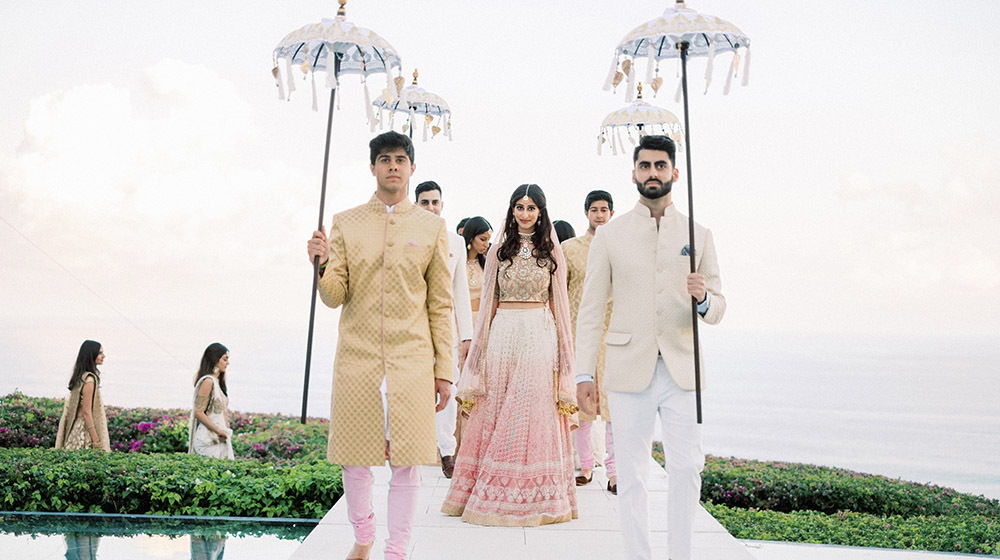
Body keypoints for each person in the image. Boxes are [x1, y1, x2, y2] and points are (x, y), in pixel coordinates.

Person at [575, 135, 726, 560]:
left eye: (661, 166)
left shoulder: (699, 234)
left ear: (674, 173)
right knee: (633, 476)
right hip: (627, 369)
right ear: (635, 173)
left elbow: (718, 309)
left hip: (682, 370)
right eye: (645, 166)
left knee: (686, 469)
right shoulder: (611, 235)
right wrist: (584, 373)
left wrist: (703, 299)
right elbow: (589, 310)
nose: (653, 173)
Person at [306, 131, 454, 560]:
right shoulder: (347, 222)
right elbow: (334, 295)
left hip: (411, 360)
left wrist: (444, 370)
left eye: (401, 159)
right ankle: (364, 536)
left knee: (406, 462)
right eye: (385, 158)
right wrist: (320, 264)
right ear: (372, 167)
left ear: (412, 168)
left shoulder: (431, 227)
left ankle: (397, 551)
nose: (393, 165)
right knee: (355, 456)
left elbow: (440, 304)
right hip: (358, 358)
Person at [441, 184, 578, 527]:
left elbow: (559, 303)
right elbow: (488, 299)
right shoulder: (500, 248)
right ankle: (486, 492)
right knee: (498, 406)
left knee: (530, 407)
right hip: (503, 331)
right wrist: (478, 346)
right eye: (520, 206)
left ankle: (535, 494)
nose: (525, 213)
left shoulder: (551, 251)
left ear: (541, 211)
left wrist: (565, 352)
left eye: (532, 207)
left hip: (539, 332)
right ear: (512, 209)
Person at [414, 180, 474, 478]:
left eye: (435, 202)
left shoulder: (456, 242)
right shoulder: (405, 237)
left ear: (442, 205)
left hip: (446, 328)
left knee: (447, 387)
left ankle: (447, 451)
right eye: (425, 202)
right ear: (416, 205)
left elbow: (460, 290)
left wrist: (467, 336)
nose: (431, 207)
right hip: (412, 327)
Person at [562, 190, 616, 492]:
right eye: (594, 209)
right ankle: (584, 465)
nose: (599, 214)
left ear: (611, 213)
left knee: (611, 405)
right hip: (577, 335)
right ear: (586, 213)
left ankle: (614, 471)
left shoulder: (620, 247)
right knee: (581, 404)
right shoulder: (570, 249)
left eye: (604, 209)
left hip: (611, 336)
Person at [55, 340, 110, 451]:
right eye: (100, 353)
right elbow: (86, 412)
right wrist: (96, 440)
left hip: (76, 427)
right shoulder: (89, 380)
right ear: (92, 355)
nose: (103, 356)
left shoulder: (81, 377)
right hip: (83, 431)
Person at [188, 342, 234, 460]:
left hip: (219, 438)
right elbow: (199, 412)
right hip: (207, 440)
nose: (227, 363)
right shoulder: (208, 382)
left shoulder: (218, 382)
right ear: (215, 360)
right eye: (225, 359)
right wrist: (218, 431)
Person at [461, 216, 492, 326]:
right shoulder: (458, 263)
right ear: (471, 237)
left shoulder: (487, 264)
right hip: (460, 320)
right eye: (483, 239)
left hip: (482, 321)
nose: (486, 244)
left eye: (488, 240)